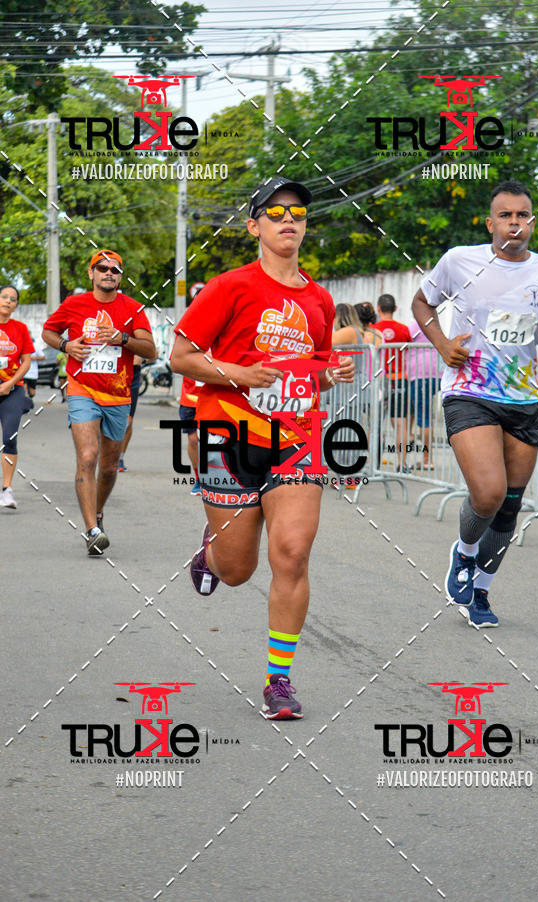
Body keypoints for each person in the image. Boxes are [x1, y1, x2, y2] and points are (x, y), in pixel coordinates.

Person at [171, 176, 354, 720]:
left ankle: (279, 680)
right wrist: (241, 373)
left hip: (295, 441)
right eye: (275, 212)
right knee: (236, 571)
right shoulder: (229, 287)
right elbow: (181, 357)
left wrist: (331, 373)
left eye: (297, 211)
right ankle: (212, 549)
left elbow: (310, 373)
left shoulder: (320, 300)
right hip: (224, 436)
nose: (289, 219)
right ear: (254, 226)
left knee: (293, 553)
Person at [412, 179, 538, 627]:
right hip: (471, 392)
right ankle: (464, 554)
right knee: (488, 493)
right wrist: (442, 344)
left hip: (523, 399)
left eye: (523, 215)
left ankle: (480, 591)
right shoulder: (460, 261)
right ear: (490, 222)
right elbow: (422, 302)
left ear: (532, 223)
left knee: (510, 505)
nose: (515, 223)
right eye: (506, 215)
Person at [42, 249, 156, 555]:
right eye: (102, 268)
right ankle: (92, 530)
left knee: (107, 467)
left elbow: (151, 350)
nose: (109, 273)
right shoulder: (74, 304)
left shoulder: (133, 308)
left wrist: (123, 338)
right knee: (88, 456)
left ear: (120, 277)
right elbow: (48, 332)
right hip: (82, 388)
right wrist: (67, 345)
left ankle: (98, 512)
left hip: (118, 394)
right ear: (91, 274)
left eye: (115, 270)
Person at [0, 285, 34, 509]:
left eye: (12, 299)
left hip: (12, 390)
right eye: (4, 296)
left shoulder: (20, 328)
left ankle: (7, 490)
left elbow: (27, 361)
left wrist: (10, 383)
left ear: (16, 305)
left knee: (9, 439)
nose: (8, 301)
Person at [373, 293, 411, 469]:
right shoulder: (403, 329)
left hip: (379, 380)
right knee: (400, 422)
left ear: (378, 308)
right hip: (399, 379)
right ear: (395, 309)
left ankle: (374, 463)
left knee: (375, 421)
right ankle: (402, 464)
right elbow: (408, 350)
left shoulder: (373, 329)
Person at [405, 318, 441, 469]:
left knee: (424, 416)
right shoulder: (436, 325)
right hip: (435, 373)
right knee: (415, 409)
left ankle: (427, 460)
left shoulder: (415, 325)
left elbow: (403, 341)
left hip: (421, 374)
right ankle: (411, 436)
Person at [118, 354, 144, 472]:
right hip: (115, 369)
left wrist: (146, 356)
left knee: (128, 421)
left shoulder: (141, 334)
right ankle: (107, 455)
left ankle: (120, 458)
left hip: (133, 372)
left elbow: (152, 353)